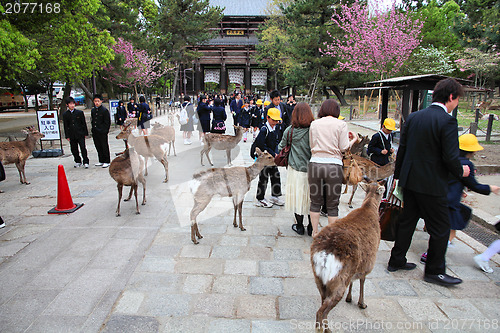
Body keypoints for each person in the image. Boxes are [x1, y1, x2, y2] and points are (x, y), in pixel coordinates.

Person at [387, 78, 470, 287]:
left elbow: (402, 150)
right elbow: (450, 157)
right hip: (432, 184)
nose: (456, 104)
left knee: (407, 221)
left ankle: (396, 260)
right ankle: (434, 271)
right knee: (441, 228)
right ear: (451, 97)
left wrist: (397, 177)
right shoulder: (448, 121)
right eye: (457, 99)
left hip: (410, 179)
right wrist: (462, 171)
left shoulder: (414, 117)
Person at [420, 134, 500, 263]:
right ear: (472, 150)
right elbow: (474, 185)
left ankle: (436, 250)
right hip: (450, 202)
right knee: (449, 229)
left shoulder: (447, 159)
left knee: (447, 228)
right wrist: (491, 188)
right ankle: (431, 254)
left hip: (438, 198)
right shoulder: (466, 165)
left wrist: (459, 189)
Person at [308, 99, 358, 237]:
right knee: (332, 204)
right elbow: (343, 147)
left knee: (315, 201)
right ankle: (329, 236)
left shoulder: (314, 124)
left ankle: (315, 232)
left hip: (315, 164)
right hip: (334, 166)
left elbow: (312, 145)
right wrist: (353, 140)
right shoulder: (341, 124)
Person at [278, 102, 314, 236]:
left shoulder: (290, 131)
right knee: (311, 200)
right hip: (312, 170)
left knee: (298, 199)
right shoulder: (313, 130)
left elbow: (281, 147)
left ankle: (299, 226)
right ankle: (311, 227)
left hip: (295, 170)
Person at [254, 108, 285, 208]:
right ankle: (260, 198)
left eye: (277, 120)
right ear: (267, 118)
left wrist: (276, 152)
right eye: (273, 120)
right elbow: (261, 145)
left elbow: (276, 142)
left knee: (276, 175)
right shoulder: (264, 129)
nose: (275, 122)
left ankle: (275, 195)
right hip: (264, 159)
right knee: (263, 178)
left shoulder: (275, 128)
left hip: (272, 159)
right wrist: (272, 153)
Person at [63, 96, 89, 169]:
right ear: (67, 105)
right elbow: (66, 125)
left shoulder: (79, 113)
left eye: (73, 103)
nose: (72, 105)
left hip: (80, 133)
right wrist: (67, 135)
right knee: (74, 148)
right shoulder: (65, 114)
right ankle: (77, 161)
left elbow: (83, 123)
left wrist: (85, 133)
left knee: (83, 148)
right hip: (72, 134)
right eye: (70, 104)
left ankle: (86, 161)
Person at [90, 94, 111, 168]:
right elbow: (93, 121)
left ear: (101, 101)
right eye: (95, 101)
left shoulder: (104, 110)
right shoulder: (93, 110)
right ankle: (101, 160)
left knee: (104, 146)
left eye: (98, 101)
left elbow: (107, 122)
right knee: (98, 146)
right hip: (95, 131)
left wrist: (105, 131)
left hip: (102, 131)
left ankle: (107, 161)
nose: (96, 103)